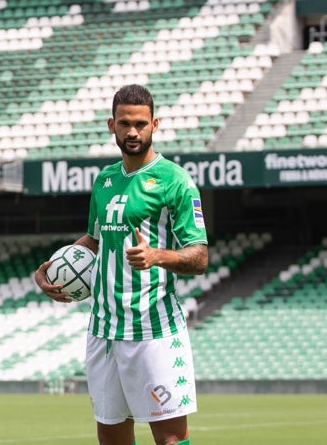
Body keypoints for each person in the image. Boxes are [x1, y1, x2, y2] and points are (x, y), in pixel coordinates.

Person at [35, 83, 209, 445]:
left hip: (152, 330)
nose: (133, 131)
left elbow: (199, 256)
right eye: (125, 123)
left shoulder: (175, 181)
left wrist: (158, 256)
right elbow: (95, 240)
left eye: (141, 124)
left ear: (155, 124)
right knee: (112, 437)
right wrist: (52, 267)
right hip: (102, 330)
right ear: (111, 125)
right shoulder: (104, 181)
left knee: (171, 439)